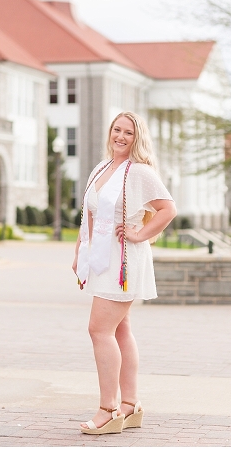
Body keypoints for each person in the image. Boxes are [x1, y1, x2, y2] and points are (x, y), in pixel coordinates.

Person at [72, 111, 177, 435]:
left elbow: (168, 209)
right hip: (100, 256)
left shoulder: (140, 172)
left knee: (98, 330)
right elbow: (88, 214)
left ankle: (109, 409)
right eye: (117, 130)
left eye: (128, 132)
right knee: (119, 330)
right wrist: (80, 251)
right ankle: (130, 404)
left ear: (137, 138)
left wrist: (139, 235)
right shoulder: (102, 168)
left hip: (123, 261)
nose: (120, 136)